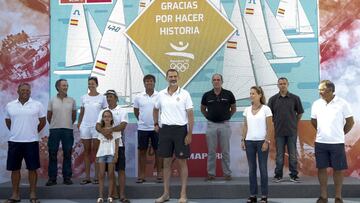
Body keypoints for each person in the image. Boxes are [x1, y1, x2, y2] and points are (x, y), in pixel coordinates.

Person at [153, 69, 194, 203]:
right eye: (170, 76)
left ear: (179, 77)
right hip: (165, 130)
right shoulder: (161, 94)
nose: (173, 78)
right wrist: (156, 124)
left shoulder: (185, 94)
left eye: (175, 76)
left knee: (182, 162)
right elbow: (155, 109)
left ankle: (183, 195)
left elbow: (190, 115)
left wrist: (189, 133)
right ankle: (166, 194)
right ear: (166, 78)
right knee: (166, 162)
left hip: (181, 131)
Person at [311, 80, 354, 203]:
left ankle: (338, 197)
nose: (319, 92)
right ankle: (323, 196)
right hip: (321, 142)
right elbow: (313, 121)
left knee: (338, 169)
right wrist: (322, 131)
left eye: (322, 89)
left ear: (330, 90)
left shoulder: (342, 103)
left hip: (337, 143)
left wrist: (340, 133)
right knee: (321, 168)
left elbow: (350, 122)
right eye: (319, 90)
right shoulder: (316, 104)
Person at [4, 83, 46, 203]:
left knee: (32, 169)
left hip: (31, 142)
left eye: (27, 90)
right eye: (22, 90)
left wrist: (33, 131)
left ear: (30, 91)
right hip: (14, 142)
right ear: (18, 91)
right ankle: (15, 195)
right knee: (14, 169)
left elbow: (42, 121)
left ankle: (33, 195)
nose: (25, 92)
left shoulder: (37, 105)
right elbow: (8, 120)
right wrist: (15, 131)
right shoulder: (10, 105)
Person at [96, 90, 130, 203]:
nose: (108, 99)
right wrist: (105, 132)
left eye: (111, 97)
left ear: (116, 98)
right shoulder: (102, 112)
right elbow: (97, 126)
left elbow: (123, 125)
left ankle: (122, 195)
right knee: (108, 172)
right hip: (105, 147)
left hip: (118, 145)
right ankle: (113, 194)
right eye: (107, 97)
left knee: (120, 170)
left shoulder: (122, 110)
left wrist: (110, 130)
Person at [201, 73, 236, 181]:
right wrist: (209, 117)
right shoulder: (207, 95)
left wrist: (227, 117)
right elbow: (203, 109)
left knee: (225, 151)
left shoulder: (228, 94)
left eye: (218, 79)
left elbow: (233, 108)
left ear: (222, 81)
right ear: (212, 82)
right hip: (211, 125)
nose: (216, 81)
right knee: (211, 151)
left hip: (224, 125)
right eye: (214, 80)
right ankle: (211, 174)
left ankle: (227, 174)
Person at [268, 77, 304, 183]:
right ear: (277, 85)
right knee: (279, 155)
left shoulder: (295, 98)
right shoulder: (273, 99)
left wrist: (294, 122)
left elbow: (300, 113)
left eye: (284, 83)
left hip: (291, 131)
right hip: (279, 132)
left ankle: (294, 175)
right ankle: (278, 175)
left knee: (293, 155)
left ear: (288, 84)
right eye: (280, 83)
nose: (282, 85)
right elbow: (269, 115)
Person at [241, 86, 273, 203]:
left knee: (263, 169)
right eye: (250, 93)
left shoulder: (266, 109)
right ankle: (253, 195)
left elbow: (270, 127)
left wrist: (266, 141)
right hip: (249, 142)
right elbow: (245, 126)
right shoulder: (247, 110)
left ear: (260, 95)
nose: (251, 95)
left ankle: (264, 196)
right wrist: (242, 140)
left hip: (262, 142)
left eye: (253, 93)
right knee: (252, 169)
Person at [46, 79, 76, 186]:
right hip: (55, 130)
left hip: (68, 130)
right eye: (64, 85)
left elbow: (73, 116)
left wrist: (66, 124)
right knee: (52, 153)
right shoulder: (52, 100)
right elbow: (49, 116)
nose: (66, 87)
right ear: (58, 87)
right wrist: (55, 124)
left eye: (67, 85)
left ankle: (67, 178)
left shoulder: (72, 100)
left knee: (67, 153)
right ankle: (52, 178)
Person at [78, 76, 107, 185]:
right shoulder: (83, 97)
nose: (91, 85)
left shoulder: (102, 98)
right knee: (86, 151)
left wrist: (103, 126)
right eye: (89, 83)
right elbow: (82, 111)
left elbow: (105, 113)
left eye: (93, 83)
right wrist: (79, 123)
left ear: (97, 84)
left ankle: (96, 177)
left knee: (96, 152)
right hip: (85, 126)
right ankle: (87, 177)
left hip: (97, 127)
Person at [133, 74, 162, 183]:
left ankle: (159, 174)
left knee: (158, 151)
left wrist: (157, 123)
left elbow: (162, 110)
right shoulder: (138, 97)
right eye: (147, 81)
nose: (149, 83)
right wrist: (142, 120)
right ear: (144, 83)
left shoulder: (160, 95)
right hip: (142, 128)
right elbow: (136, 111)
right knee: (142, 152)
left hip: (156, 128)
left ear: (154, 83)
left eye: (151, 81)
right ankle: (142, 175)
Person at [96, 110, 119, 203]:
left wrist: (116, 155)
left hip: (111, 154)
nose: (107, 118)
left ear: (111, 118)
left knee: (110, 175)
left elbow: (117, 142)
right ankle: (100, 196)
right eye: (105, 116)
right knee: (101, 175)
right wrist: (97, 155)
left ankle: (110, 196)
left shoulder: (115, 129)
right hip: (101, 155)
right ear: (102, 118)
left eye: (108, 116)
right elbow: (99, 143)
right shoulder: (100, 130)